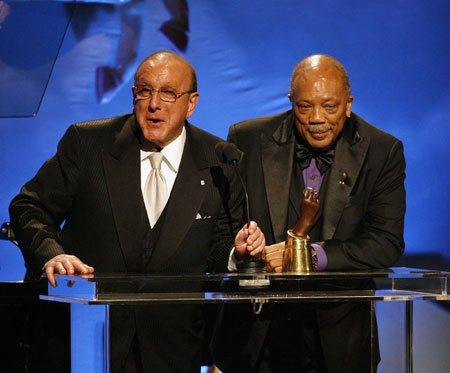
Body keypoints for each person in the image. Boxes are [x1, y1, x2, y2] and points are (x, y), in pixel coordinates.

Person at [9, 50, 264, 373]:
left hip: (172, 350)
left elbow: (217, 248)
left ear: (192, 102)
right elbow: (29, 206)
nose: (154, 104)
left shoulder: (218, 161)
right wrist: (51, 254)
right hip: (88, 344)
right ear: (133, 95)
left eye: (169, 93)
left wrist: (236, 254)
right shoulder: (87, 144)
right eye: (145, 91)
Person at [213, 54, 406, 372]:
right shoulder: (247, 140)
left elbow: (386, 243)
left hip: (339, 339)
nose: (317, 118)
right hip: (254, 338)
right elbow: (221, 232)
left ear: (348, 103)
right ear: (291, 102)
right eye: (305, 107)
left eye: (330, 106)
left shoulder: (382, 151)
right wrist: (241, 252)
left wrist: (307, 256)